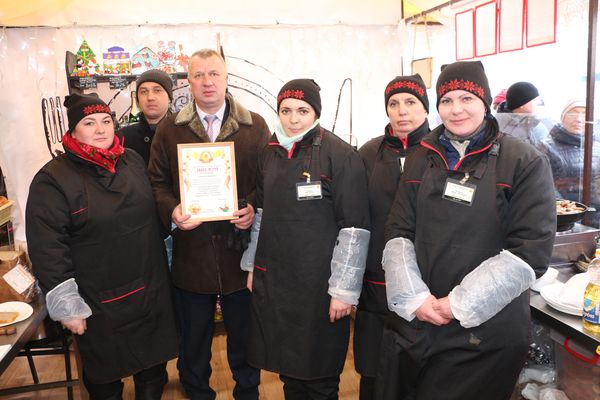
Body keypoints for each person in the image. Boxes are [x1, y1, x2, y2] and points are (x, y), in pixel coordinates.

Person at [377, 61, 556, 400]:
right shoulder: (421, 157)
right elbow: (398, 229)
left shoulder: (524, 161)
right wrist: (415, 297)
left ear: (484, 102)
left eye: (466, 98)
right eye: (446, 100)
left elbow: (529, 252)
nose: (456, 109)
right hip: (420, 321)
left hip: (484, 334)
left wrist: (457, 304)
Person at [26, 93, 178, 400]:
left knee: (153, 372)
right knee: (105, 381)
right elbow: (47, 248)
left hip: (150, 289)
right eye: (89, 123)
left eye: (106, 121)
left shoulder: (132, 160)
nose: (100, 129)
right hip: (98, 301)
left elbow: (154, 215)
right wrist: (67, 305)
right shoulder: (52, 179)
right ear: (72, 130)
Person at [148, 48, 270, 400]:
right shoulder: (170, 129)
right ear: (188, 81)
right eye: (199, 75)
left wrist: (252, 206)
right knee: (194, 338)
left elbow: (267, 180)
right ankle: (196, 391)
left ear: (226, 78)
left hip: (239, 253)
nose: (207, 82)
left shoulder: (255, 126)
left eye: (214, 74)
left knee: (244, 336)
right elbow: (156, 183)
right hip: (192, 253)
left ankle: (247, 392)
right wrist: (172, 210)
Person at [240, 79, 370, 400]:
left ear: (316, 113)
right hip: (279, 282)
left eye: (302, 110)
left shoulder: (339, 154)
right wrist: (253, 266)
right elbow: (262, 213)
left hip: (321, 285)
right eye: (286, 110)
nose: (293, 119)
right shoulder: (270, 152)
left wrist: (343, 290)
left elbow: (354, 229)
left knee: (320, 376)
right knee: (289, 372)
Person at [353, 74, 430, 400]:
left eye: (411, 102)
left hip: (425, 284)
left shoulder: (439, 152)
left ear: (426, 107)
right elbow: (354, 216)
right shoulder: (368, 154)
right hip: (375, 283)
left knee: (418, 373)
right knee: (373, 370)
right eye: (394, 103)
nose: (402, 111)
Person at [537, 100, 600, 224]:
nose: (579, 119)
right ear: (562, 118)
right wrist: (567, 212)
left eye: (585, 114)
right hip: (564, 218)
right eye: (573, 113)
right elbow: (543, 184)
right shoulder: (546, 147)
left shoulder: (597, 146)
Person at [120, 69, 173, 165]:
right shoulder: (123, 138)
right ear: (137, 100)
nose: (150, 97)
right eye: (144, 92)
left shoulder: (184, 134)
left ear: (169, 97)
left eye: (157, 90)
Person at [496, 81, 549, 145]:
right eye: (534, 100)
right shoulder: (505, 127)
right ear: (522, 103)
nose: (538, 103)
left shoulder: (530, 122)